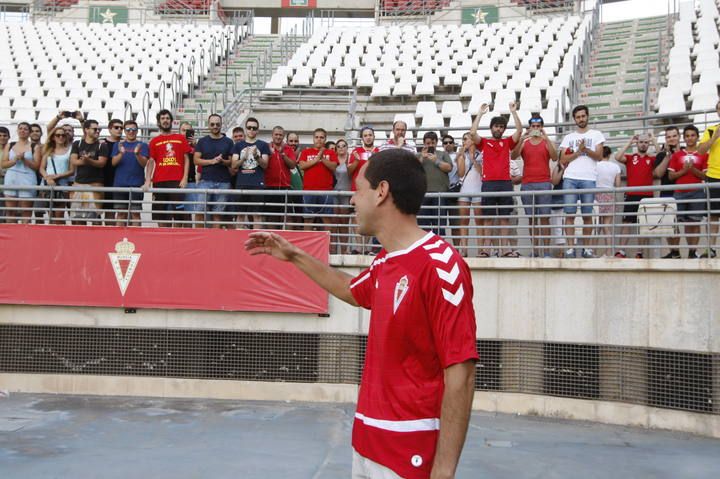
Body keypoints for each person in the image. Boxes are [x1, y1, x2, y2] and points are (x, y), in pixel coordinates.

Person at [244, 148, 478, 479]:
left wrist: (443, 470)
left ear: (381, 192)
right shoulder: (384, 261)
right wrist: (294, 254)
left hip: (409, 451)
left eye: (358, 189)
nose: (352, 200)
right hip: (366, 445)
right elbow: (350, 290)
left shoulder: (442, 265)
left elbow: (461, 374)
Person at [470, 102, 523, 257]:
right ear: (491, 128)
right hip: (488, 184)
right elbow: (473, 133)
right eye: (496, 126)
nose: (498, 129)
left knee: (505, 218)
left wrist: (513, 112)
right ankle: (486, 249)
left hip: (505, 183)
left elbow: (519, 131)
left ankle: (504, 249)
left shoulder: (507, 142)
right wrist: (480, 113)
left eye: (501, 127)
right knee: (488, 218)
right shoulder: (485, 143)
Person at [559, 105, 605, 258]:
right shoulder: (568, 137)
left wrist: (586, 150)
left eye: (583, 116)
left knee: (587, 215)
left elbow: (599, 156)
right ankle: (570, 249)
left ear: (587, 116)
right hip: (570, 178)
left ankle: (586, 249)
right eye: (578, 117)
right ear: (574, 119)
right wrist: (578, 152)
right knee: (569, 214)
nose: (581, 119)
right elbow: (562, 159)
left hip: (588, 178)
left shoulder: (596, 134)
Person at [511, 115, 557, 257]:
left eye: (538, 126)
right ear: (530, 127)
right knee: (532, 219)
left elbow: (555, 157)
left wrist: (546, 137)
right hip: (528, 184)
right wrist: (522, 139)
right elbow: (513, 156)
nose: (536, 129)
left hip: (544, 183)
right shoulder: (524, 142)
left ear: (541, 127)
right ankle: (536, 251)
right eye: (533, 126)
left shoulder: (546, 142)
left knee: (544, 218)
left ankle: (547, 252)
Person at [614, 133, 658, 258]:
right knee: (626, 223)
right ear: (637, 144)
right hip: (631, 194)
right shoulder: (630, 157)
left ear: (648, 144)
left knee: (643, 225)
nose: (643, 144)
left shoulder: (651, 159)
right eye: (641, 142)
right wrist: (630, 141)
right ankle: (621, 251)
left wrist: (654, 140)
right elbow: (617, 156)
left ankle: (640, 252)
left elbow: (661, 156)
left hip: (647, 196)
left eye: (645, 142)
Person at [667, 125, 708, 258]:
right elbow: (671, 176)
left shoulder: (703, 155)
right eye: (687, 136)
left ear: (697, 137)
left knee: (694, 222)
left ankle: (692, 251)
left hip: (697, 192)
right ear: (683, 138)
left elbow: (706, 176)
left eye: (692, 135)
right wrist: (684, 171)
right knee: (678, 223)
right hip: (679, 192)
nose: (690, 138)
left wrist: (693, 170)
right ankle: (676, 252)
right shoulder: (677, 155)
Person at [145, 109, 191, 228]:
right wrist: (148, 180)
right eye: (163, 118)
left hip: (177, 181)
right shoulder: (154, 141)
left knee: (179, 214)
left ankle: (175, 240)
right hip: (159, 181)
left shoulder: (180, 138)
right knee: (160, 214)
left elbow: (186, 158)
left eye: (167, 118)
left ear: (171, 121)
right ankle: (163, 239)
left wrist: (184, 178)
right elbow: (150, 161)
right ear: (159, 122)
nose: (165, 121)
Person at [194, 114, 234, 228]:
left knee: (218, 214)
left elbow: (231, 162)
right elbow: (196, 160)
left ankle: (214, 242)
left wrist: (222, 161)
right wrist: (211, 161)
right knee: (200, 212)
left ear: (221, 125)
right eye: (212, 124)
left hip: (223, 182)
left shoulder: (228, 141)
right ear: (208, 125)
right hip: (205, 181)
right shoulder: (202, 141)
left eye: (217, 124)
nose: (215, 126)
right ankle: (198, 241)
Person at [231, 117, 270, 229]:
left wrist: (256, 156)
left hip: (257, 184)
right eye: (249, 127)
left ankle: (258, 241)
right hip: (241, 183)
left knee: (257, 215)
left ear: (257, 130)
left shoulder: (263, 145)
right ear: (246, 129)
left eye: (254, 128)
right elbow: (233, 165)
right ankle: (238, 240)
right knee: (240, 214)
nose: (251, 130)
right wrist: (243, 158)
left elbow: (265, 165)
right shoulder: (238, 145)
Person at [298, 128, 339, 232]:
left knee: (327, 220)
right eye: (316, 137)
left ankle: (328, 247)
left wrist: (322, 158)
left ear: (325, 139)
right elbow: (302, 166)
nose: (319, 139)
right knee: (308, 219)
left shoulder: (331, 152)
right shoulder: (306, 152)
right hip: (309, 190)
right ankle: (308, 247)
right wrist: (316, 159)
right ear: (313, 138)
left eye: (321, 137)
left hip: (326, 190)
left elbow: (333, 167)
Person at [111, 120, 149, 226]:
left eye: (133, 129)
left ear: (137, 131)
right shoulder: (118, 145)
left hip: (136, 184)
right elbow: (113, 163)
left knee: (135, 214)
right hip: (120, 184)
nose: (131, 132)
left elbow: (144, 164)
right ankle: (119, 239)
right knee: (121, 214)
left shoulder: (143, 145)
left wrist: (137, 154)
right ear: (124, 131)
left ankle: (136, 240)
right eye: (128, 129)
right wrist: (121, 153)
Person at [653, 126, 682, 258]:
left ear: (679, 137)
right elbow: (658, 174)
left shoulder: (685, 152)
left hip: (682, 191)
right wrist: (667, 157)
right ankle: (674, 252)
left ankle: (691, 251)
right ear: (665, 139)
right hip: (667, 192)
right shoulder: (661, 155)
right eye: (668, 137)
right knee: (669, 223)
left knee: (686, 222)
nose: (671, 139)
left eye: (674, 136)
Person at [2, 123, 40, 223]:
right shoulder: (10, 145)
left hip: (28, 179)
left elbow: (36, 166)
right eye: (20, 129)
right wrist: (14, 160)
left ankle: (24, 234)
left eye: (25, 129)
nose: (22, 131)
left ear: (29, 132)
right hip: (11, 178)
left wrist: (24, 160)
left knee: (26, 211)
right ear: (17, 130)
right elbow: (3, 164)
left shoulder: (34, 146)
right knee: (10, 211)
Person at [69, 119, 105, 225]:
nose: (97, 131)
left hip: (95, 184)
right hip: (79, 183)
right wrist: (86, 161)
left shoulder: (102, 145)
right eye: (95, 129)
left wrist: (88, 160)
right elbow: (73, 161)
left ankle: (97, 241)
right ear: (86, 130)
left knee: (95, 217)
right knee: (78, 217)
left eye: (99, 129)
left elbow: (102, 163)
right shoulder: (77, 144)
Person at [418, 131, 452, 236]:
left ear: (437, 143)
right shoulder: (419, 155)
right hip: (423, 194)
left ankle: (440, 250)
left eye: (433, 143)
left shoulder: (443, 154)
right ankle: (425, 250)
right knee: (423, 226)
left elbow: (449, 168)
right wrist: (422, 158)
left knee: (439, 225)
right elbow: (413, 168)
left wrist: (436, 160)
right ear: (424, 143)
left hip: (440, 194)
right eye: (428, 143)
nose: (430, 145)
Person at [697, 99, 720, 258]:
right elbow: (700, 151)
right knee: (713, 215)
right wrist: (714, 139)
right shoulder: (711, 130)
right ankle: (711, 248)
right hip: (713, 176)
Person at [455, 132, 484, 257]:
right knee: (463, 221)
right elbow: (461, 174)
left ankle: (480, 250)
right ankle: (464, 250)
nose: (464, 141)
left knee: (479, 221)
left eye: (466, 139)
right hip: (464, 190)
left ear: (473, 140)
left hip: (478, 189)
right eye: (463, 139)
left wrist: (473, 158)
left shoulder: (481, 154)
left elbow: (482, 172)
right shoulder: (462, 155)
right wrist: (461, 156)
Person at [39, 126, 74, 224]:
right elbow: (42, 168)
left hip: (62, 185)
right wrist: (47, 178)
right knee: (50, 214)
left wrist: (56, 176)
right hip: (47, 184)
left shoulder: (70, 150)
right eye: (58, 135)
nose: (61, 137)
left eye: (63, 135)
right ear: (53, 137)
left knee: (59, 215)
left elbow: (72, 170)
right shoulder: (48, 150)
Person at [265, 125, 297, 228]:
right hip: (269, 186)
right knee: (271, 217)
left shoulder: (288, 148)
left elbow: (292, 165)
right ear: (272, 135)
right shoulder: (266, 147)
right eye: (276, 134)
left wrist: (284, 155)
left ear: (283, 136)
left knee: (287, 217)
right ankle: (271, 242)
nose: (278, 137)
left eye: (280, 135)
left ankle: (286, 241)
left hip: (285, 186)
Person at [595, 146, 622, 256]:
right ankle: (609, 253)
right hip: (610, 195)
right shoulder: (615, 167)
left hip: (596, 195)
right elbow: (618, 185)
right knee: (607, 226)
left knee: (596, 226)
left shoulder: (595, 165)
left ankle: (593, 252)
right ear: (609, 154)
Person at [99, 118, 123, 225]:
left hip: (120, 181)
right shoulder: (101, 143)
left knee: (121, 212)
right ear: (110, 129)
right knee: (104, 211)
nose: (119, 130)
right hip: (103, 180)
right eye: (116, 127)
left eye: (121, 128)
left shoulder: (124, 144)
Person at [348, 127, 378, 191]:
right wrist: (356, 161)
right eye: (365, 135)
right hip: (358, 189)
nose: (368, 137)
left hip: (373, 190)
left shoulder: (379, 151)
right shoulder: (356, 151)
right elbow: (349, 172)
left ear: (374, 137)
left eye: (370, 135)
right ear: (362, 138)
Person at [0, 126, 10, 223]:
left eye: (4, 135)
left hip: (9, 186)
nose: (2, 137)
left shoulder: (12, 151)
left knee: (8, 212)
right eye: (0, 136)